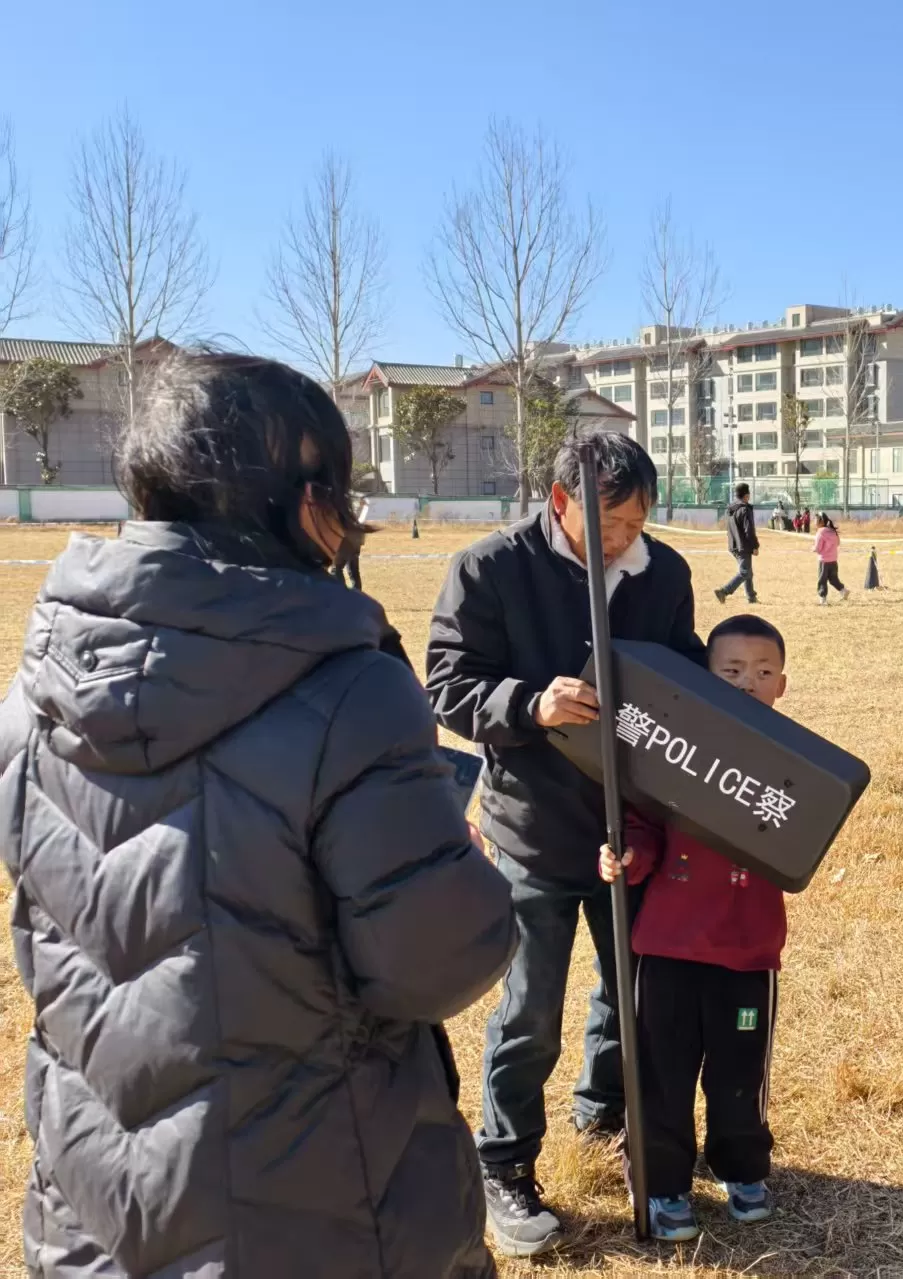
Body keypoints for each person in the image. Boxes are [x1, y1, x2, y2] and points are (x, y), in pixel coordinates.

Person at [0, 354, 517, 1278]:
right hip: (316, 1202)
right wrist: (466, 871)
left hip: (93, 1204)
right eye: (339, 487)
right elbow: (433, 962)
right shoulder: (348, 684)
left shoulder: (35, 688)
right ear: (302, 496)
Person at [425, 431, 705, 1258]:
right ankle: (504, 1164)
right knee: (530, 1007)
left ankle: (608, 1110)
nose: (625, 539)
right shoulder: (491, 569)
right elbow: (447, 683)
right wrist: (528, 704)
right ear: (561, 501)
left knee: (633, 992)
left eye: (638, 522)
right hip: (532, 826)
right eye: (610, 522)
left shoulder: (665, 576)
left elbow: (682, 682)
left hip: (633, 832)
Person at [599, 614, 792, 1242]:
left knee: (740, 1070)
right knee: (663, 1070)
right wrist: (627, 856)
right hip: (671, 945)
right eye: (730, 671)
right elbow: (642, 826)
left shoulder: (792, 762)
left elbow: (798, 843)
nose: (746, 683)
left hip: (748, 950)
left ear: (782, 684)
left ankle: (742, 1168)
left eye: (762, 673)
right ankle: (664, 1184)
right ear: (703, 679)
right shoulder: (675, 750)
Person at [717, 482, 760, 605]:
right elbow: (749, 530)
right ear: (746, 495)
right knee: (744, 572)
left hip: (733, 545)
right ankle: (724, 591)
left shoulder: (731, 509)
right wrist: (755, 546)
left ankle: (751, 597)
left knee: (748, 572)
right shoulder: (745, 509)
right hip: (743, 546)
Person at [334, 492, 371, 589]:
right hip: (356, 541)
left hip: (347, 540)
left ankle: (340, 592)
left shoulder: (346, 505)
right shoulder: (362, 507)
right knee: (353, 569)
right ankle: (357, 593)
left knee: (337, 568)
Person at [814, 511, 849, 604]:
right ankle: (843, 591)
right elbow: (837, 543)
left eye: (815, 520)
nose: (814, 522)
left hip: (824, 561)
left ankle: (823, 599)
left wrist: (813, 549)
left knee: (822, 580)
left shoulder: (820, 533)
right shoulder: (833, 531)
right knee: (833, 579)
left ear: (820, 521)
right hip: (833, 560)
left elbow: (818, 548)